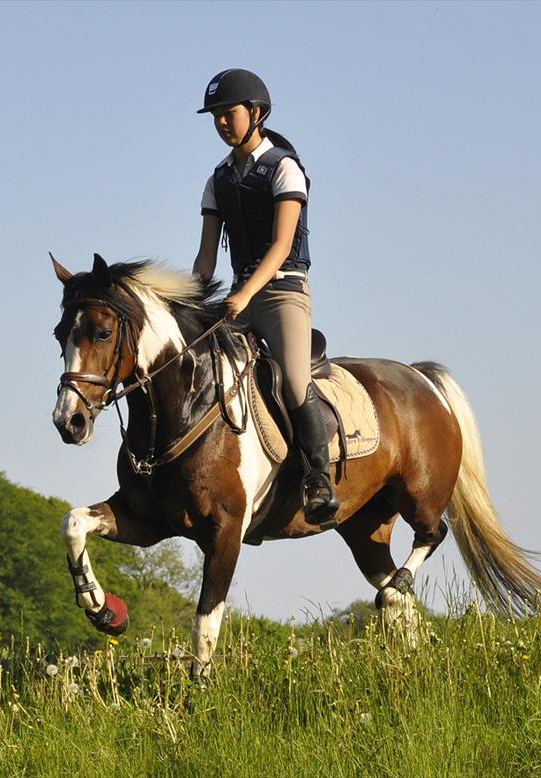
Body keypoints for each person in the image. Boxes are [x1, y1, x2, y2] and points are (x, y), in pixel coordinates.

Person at [191, 68, 339, 525]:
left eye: (227, 113)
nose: (220, 122)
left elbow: (280, 246)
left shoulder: (284, 168)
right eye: (214, 115)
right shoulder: (217, 180)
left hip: (283, 293)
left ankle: (318, 479)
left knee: (294, 380)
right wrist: (192, 304)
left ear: (255, 113)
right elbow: (204, 258)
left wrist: (245, 293)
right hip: (238, 296)